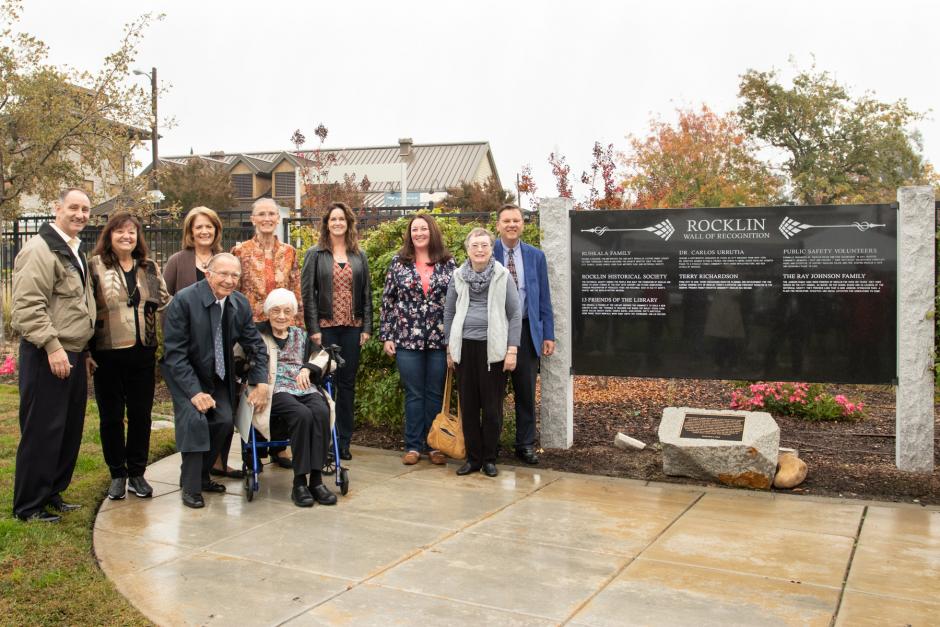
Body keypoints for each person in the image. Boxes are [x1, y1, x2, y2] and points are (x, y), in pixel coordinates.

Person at [11, 188, 96, 522]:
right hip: (48, 355)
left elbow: (75, 305)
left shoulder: (73, 249)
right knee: (43, 430)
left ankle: (52, 493)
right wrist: (52, 346)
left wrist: (84, 351)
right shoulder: (40, 249)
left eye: (85, 209)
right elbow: (27, 307)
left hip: (73, 354)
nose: (80, 214)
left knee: (67, 429)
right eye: (73, 207)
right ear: (56, 208)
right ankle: (28, 506)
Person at [161, 253, 269, 509]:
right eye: (223, 273)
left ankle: (201, 475)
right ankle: (191, 486)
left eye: (235, 275)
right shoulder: (184, 301)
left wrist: (261, 381)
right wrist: (194, 392)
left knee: (222, 420)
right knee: (196, 421)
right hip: (186, 374)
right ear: (208, 273)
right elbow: (175, 354)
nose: (229, 280)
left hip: (218, 375)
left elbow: (255, 345)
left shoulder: (239, 303)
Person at [87, 212, 171, 501]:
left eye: (132, 232)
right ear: (109, 235)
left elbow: (165, 302)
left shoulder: (148, 267)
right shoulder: (95, 266)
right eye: (120, 231)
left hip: (143, 353)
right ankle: (117, 475)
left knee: (140, 415)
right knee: (111, 417)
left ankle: (137, 472)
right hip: (106, 353)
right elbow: (84, 308)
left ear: (138, 237)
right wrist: (85, 350)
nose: (126, 236)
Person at [163, 206, 243, 479]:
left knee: (223, 414)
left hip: (218, 352)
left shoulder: (225, 260)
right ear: (190, 231)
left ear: (216, 229)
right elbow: (166, 302)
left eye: (209, 226)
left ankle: (215, 465)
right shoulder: (178, 261)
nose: (204, 231)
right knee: (197, 417)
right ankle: (195, 477)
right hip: (188, 349)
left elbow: (231, 301)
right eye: (199, 227)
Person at [232, 198, 303, 469]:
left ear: (278, 218)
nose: (266, 218)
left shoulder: (289, 252)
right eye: (261, 214)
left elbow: (296, 292)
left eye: (271, 214)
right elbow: (235, 293)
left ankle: (280, 446)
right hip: (251, 331)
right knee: (253, 386)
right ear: (252, 218)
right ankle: (252, 450)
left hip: (283, 328)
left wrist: (298, 329)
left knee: (282, 385)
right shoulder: (240, 252)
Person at [444, 228, 521, 478]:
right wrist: (449, 347)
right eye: (475, 245)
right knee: (468, 406)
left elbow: (514, 314)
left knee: (491, 408)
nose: (480, 250)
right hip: (464, 348)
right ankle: (473, 459)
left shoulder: (502, 275)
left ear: (491, 248)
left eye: (484, 245)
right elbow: (449, 312)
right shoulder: (458, 276)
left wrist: (512, 350)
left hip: (494, 350)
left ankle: (489, 459)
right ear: (467, 249)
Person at [380, 214, 456, 465]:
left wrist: (454, 339)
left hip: (438, 338)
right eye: (415, 229)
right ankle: (413, 446)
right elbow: (388, 301)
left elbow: (456, 302)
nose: (419, 233)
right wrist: (387, 335)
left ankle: (434, 445)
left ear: (432, 231)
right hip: (406, 338)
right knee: (414, 393)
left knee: (434, 393)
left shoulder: (448, 263)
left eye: (424, 228)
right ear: (409, 234)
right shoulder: (398, 262)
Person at [250, 289, 336, 507]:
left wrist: (307, 368)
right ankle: (299, 483)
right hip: (275, 389)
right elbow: (243, 359)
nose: (281, 316)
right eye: (276, 311)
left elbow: (325, 356)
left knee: (321, 410)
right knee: (301, 414)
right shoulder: (257, 334)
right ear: (268, 313)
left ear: (293, 314)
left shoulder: (301, 335)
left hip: (303, 386)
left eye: (287, 311)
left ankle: (316, 481)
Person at [301, 201, 372, 461]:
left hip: (352, 329)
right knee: (321, 385)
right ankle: (323, 440)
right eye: (333, 219)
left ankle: (343, 442)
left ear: (348, 223)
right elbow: (308, 294)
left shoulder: (358, 255)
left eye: (342, 219)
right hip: (326, 330)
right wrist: (313, 328)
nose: (338, 223)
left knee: (347, 385)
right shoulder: (315, 253)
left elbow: (365, 294)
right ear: (327, 224)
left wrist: (366, 326)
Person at [492, 204, 555, 465]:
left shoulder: (535, 256)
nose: (511, 225)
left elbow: (543, 298)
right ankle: (490, 445)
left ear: (523, 224)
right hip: (495, 332)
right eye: (506, 220)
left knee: (526, 392)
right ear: (498, 225)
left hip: (528, 332)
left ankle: (525, 444)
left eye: (516, 220)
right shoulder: (486, 251)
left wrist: (548, 334)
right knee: (492, 392)